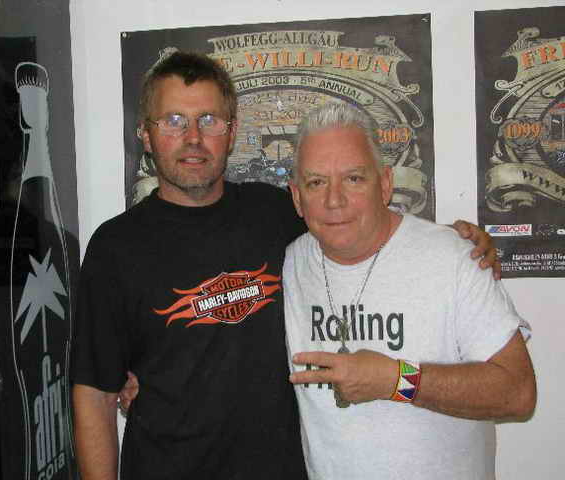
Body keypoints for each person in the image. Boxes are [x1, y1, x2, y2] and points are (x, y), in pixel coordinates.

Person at [72, 52, 500, 480]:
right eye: (173, 121)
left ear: (231, 131)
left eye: (209, 120)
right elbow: (94, 395)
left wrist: (453, 240)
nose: (193, 138)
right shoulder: (115, 248)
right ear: (146, 135)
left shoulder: (275, 212)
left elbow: (358, 221)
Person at [284, 102, 536, 479]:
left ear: (385, 184)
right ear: (296, 197)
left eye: (354, 178)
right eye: (316, 182)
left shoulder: (452, 257)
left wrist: (397, 380)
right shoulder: (290, 261)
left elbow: (518, 393)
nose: (334, 200)